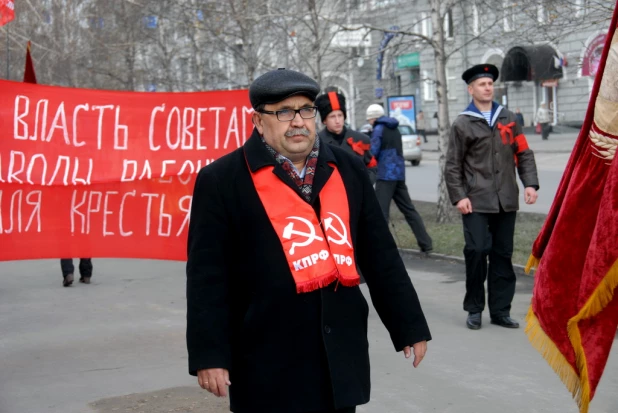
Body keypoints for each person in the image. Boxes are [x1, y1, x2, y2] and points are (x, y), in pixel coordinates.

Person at [186, 68, 431, 413]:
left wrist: (408, 324)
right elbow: (206, 277)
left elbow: (380, 254)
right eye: (283, 112)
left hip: (338, 355)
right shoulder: (221, 181)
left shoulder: (348, 169)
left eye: (305, 110)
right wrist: (209, 354)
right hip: (264, 359)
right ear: (257, 121)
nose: (297, 121)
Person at [445, 64, 539, 330]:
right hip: (475, 200)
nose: (487, 87)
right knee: (476, 251)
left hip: (505, 199)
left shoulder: (508, 117)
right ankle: (474, 309)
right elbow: (452, 165)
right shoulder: (462, 123)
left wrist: (530, 184)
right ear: (471, 89)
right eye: (482, 84)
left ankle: (500, 310)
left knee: (503, 255)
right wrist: (459, 196)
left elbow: (524, 153)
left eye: (490, 83)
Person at [367, 104, 433, 254]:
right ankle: (426, 242)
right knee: (409, 209)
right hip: (399, 174)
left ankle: (382, 247)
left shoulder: (378, 129)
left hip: (385, 174)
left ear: (374, 117)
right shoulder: (394, 128)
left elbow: (373, 152)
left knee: (381, 213)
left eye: (370, 119)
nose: (370, 122)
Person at [315, 91, 377, 184]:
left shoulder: (361, 139)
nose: (337, 121)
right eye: (332, 116)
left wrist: (364, 182)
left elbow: (372, 166)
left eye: (340, 115)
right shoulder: (317, 142)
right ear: (324, 120)